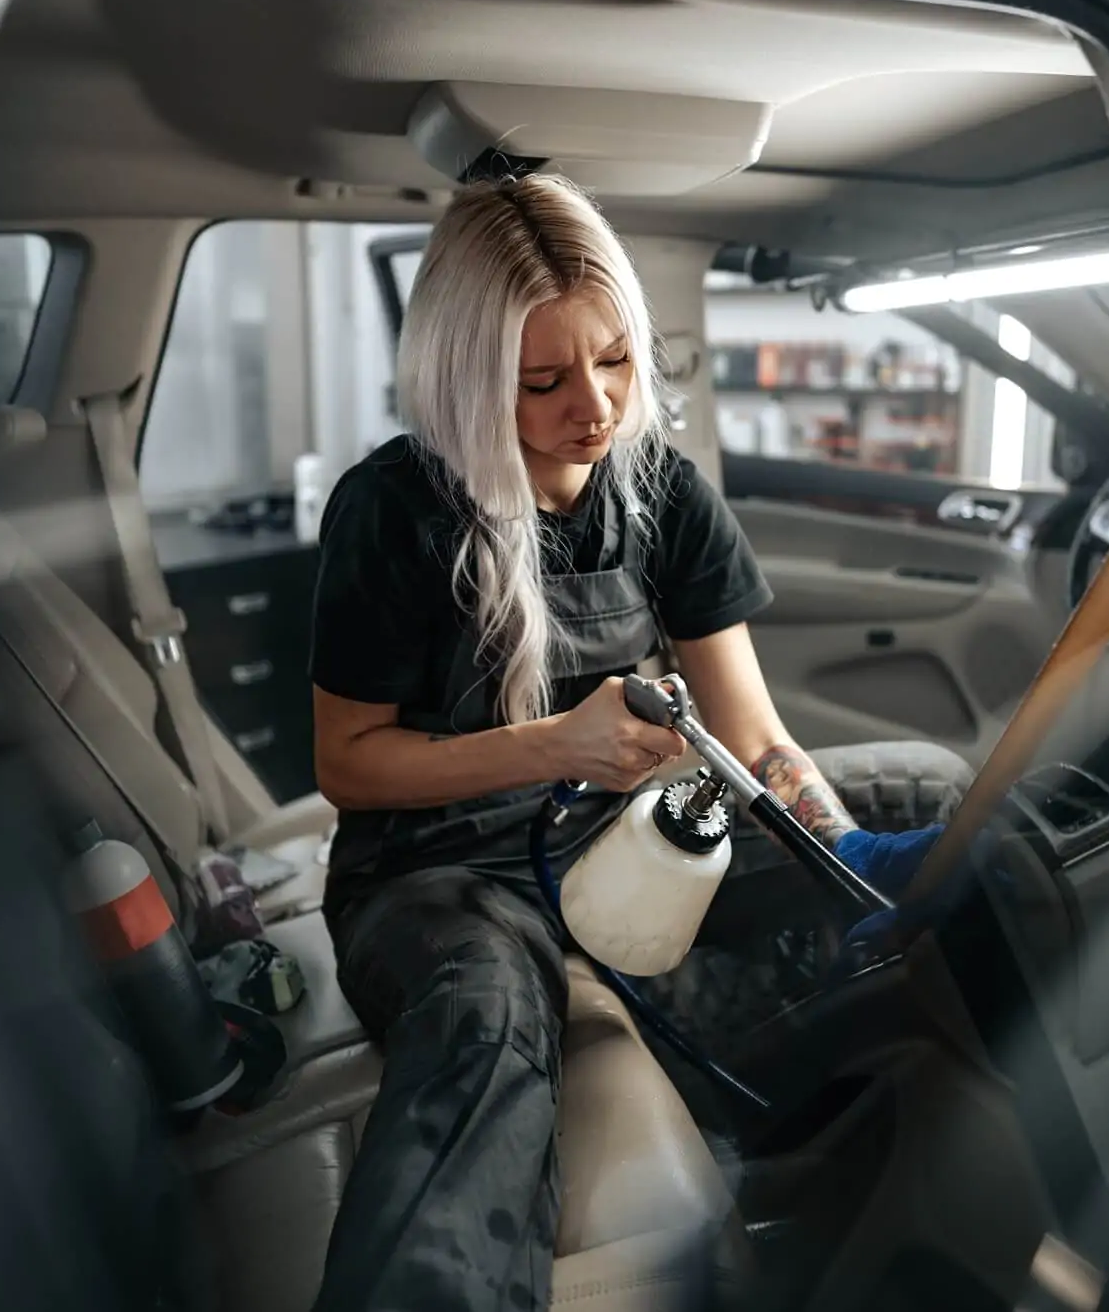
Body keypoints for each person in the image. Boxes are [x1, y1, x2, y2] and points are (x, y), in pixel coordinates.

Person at [307, 173, 948, 1312]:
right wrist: (554, 743)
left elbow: (747, 732)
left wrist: (844, 850)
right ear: (466, 378)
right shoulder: (393, 510)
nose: (594, 406)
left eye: (612, 360)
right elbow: (348, 759)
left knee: (927, 812)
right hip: (437, 871)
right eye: (543, 381)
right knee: (485, 1016)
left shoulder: (660, 491)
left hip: (622, 832)